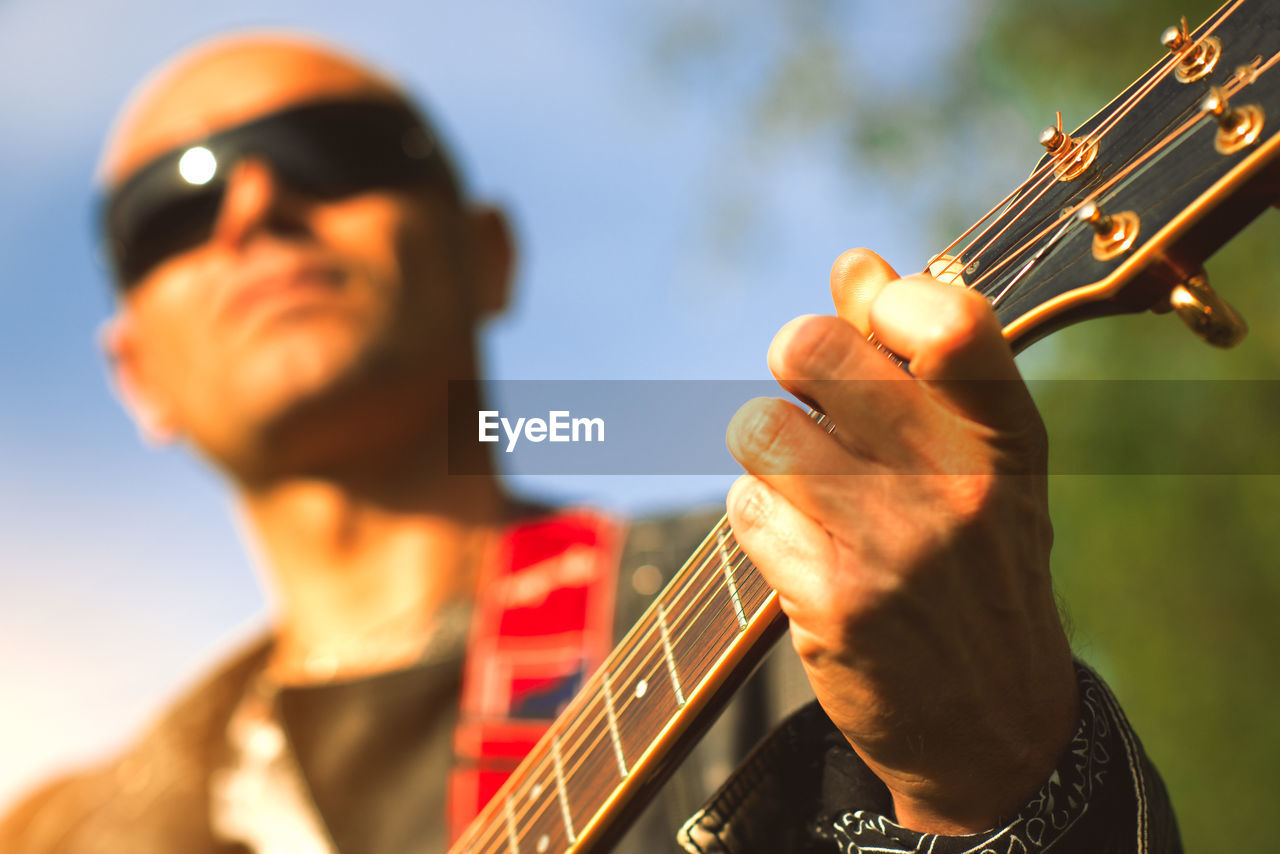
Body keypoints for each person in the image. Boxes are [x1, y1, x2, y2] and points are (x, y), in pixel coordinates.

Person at [0, 32, 1181, 853]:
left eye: (333, 152)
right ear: (136, 373)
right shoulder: (70, 830)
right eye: (173, 209)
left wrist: (1001, 771)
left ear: (490, 252)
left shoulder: (808, 594)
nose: (254, 207)